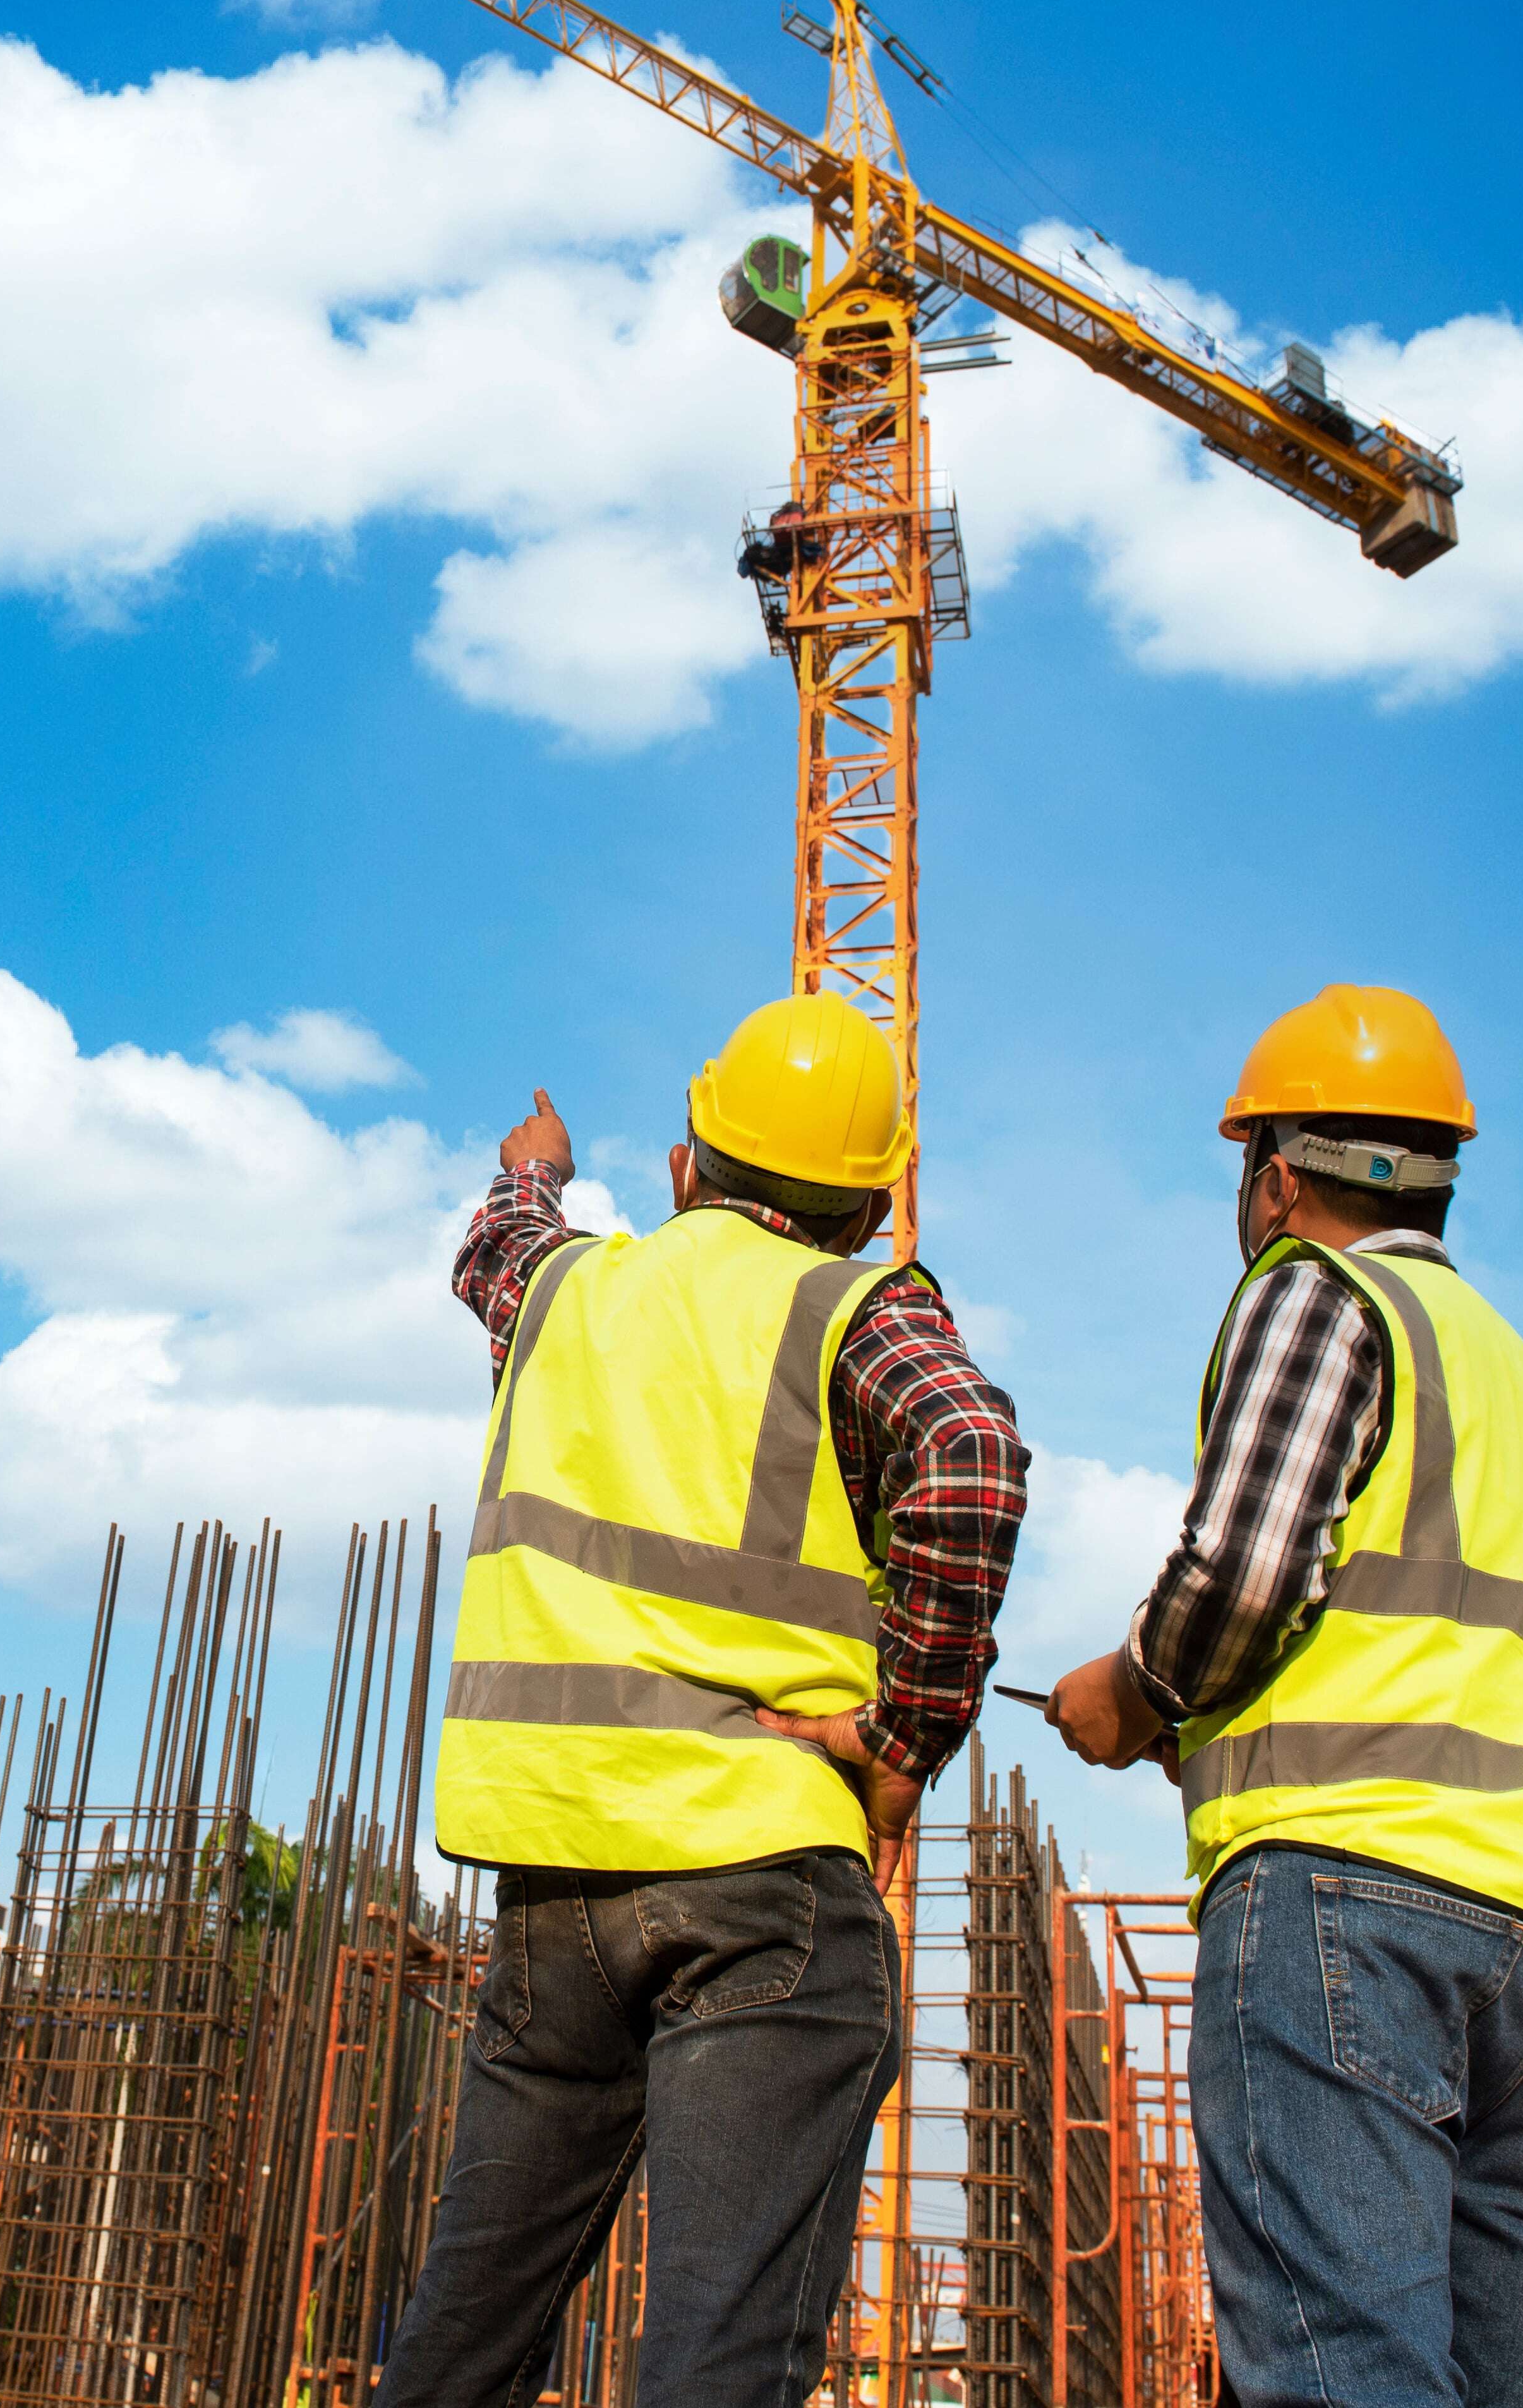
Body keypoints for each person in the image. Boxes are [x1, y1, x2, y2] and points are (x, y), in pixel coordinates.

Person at [378, 994, 1029, 2408]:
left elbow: (497, 1246)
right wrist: (906, 1735)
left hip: (558, 1889)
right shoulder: (857, 1309)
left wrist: (535, 1165)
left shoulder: (566, 1291)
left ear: (687, 1170)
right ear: (871, 1202)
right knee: (718, 2361)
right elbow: (968, 1455)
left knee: (460, 2347)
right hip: (759, 1882)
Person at [1044, 984, 1523, 2408]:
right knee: (1518, 2381)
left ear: (1274, 1174)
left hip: (1354, 1906)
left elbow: (1242, 1575)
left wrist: (1132, 1697)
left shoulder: (1319, 1293)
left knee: (1347, 2372)